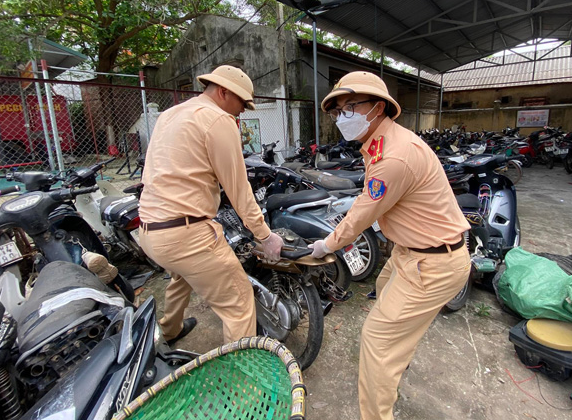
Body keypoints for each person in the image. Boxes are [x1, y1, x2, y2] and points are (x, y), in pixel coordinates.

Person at [308, 71, 471, 420]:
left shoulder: (393, 156)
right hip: (410, 253)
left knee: (378, 340)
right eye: (338, 111)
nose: (342, 117)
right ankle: (393, 369)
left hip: (432, 264)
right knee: (383, 289)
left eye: (351, 106)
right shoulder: (382, 143)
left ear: (378, 107)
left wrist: (326, 245)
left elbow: (362, 216)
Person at [139, 65, 284, 346]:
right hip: (186, 234)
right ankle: (241, 384)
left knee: (183, 274)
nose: (243, 110)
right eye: (242, 102)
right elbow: (239, 190)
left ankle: (170, 330)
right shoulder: (218, 120)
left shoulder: (170, 115)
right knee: (240, 303)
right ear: (223, 91)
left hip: (150, 230)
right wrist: (265, 235)